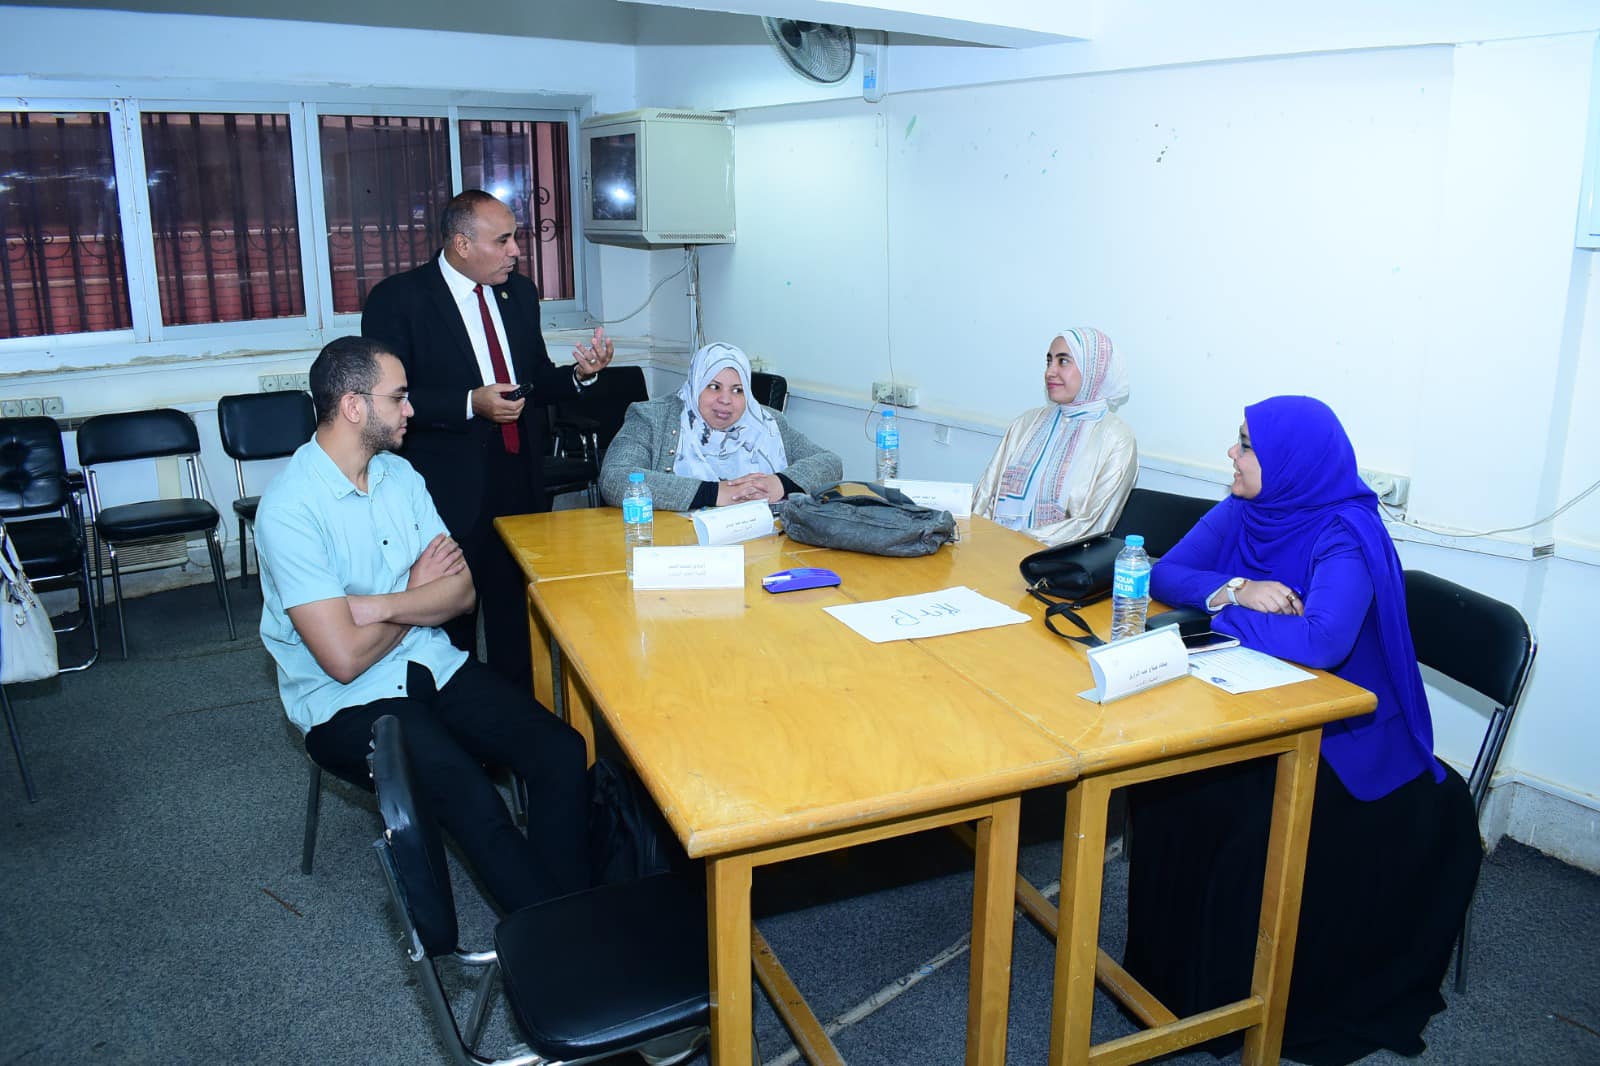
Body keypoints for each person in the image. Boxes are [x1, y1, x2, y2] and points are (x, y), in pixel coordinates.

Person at [1125, 395, 1482, 1064]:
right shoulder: (1245, 508)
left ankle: (1236, 1006)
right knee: (1171, 791)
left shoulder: (1344, 531)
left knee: (1242, 825)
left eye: (1245, 445)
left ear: (1290, 462)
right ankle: (1176, 990)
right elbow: (1167, 571)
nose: (1231, 455)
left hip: (1354, 740)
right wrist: (1236, 587)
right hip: (1268, 704)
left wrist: (1215, 618)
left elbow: (1321, 641)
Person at [255, 336, 590, 913]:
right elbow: (342, 659)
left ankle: (571, 909)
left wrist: (381, 605)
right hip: (344, 702)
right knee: (473, 799)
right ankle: (565, 947)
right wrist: (414, 593)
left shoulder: (400, 476)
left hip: (428, 662)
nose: (411, 410)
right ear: (355, 407)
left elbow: (461, 595)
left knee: (560, 749)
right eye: (399, 398)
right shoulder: (290, 509)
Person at [361, 189, 613, 687]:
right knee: (447, 626)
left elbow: (534, 377)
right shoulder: (400, 299)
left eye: (514, 238)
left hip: (517, 475)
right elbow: (383, 396)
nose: (516, 250)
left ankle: (518, 727)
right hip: (444, 488)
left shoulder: (518, 294)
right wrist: (468, 403)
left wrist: (581, 376)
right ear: (461, 243)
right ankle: (453, 737)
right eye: (503, 241)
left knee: (516, 615)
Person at [599, 341, 842, 510]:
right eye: (714, 387)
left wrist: (778, 484)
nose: (725, 400)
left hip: (759, 546)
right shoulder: (652, 418)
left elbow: (830, 462)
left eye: (737, 390)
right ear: (696, 385)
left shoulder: (767, 423)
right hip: (677, 548)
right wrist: (716, 493)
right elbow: (615, 479)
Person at [971, 327, 1137, 545]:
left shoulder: (1116, 439)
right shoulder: (1027, 423)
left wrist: (1016, 544)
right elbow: (986, 496)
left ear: (1092, 371)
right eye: (1049, 361)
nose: (1050, 371)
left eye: (1063, 361)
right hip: (992, 550)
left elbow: (1092, 523)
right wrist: (977, 539)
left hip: (1057, 563)